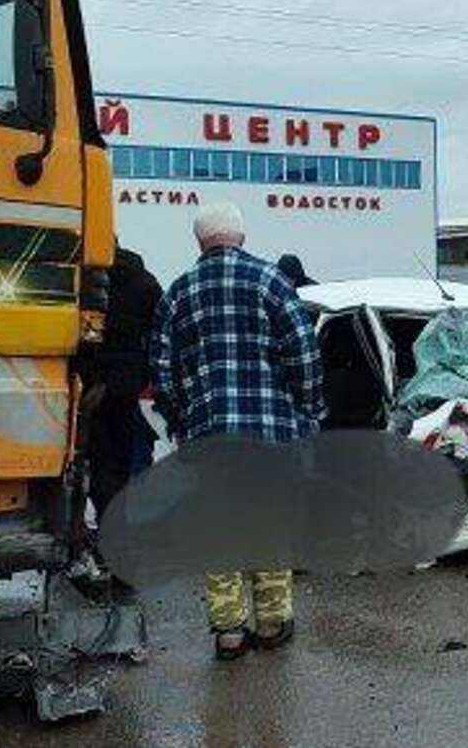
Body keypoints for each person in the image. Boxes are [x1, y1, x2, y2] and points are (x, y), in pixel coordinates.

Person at [148, 202, 325, 661]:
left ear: (199, 241)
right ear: (241, 237)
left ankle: (229, 632)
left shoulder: (179, 293)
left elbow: (162, 369)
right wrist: (307, 411)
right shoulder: (273, 283)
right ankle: (271, 625)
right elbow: (304, 356)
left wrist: (181, 419)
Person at [79, 245, 162, 519]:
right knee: (129, 455)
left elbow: (84, 338)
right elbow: (158, 334)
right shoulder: (146, 282)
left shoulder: (85, 280)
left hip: (93, 384)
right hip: (131, 385)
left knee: (96, 456)